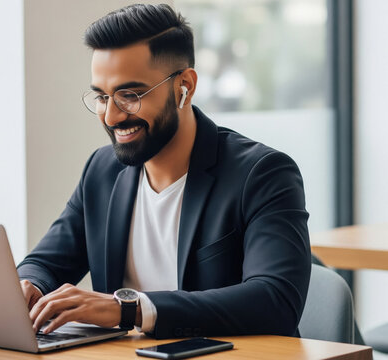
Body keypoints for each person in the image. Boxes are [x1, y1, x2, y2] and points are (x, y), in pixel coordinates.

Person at [16, 3, 310, 339]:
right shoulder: (102, 171)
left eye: (130, 94)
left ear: (184, 85)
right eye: (102, 97)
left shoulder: (262, 174)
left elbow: (276, 301)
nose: (111, 117)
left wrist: (129, 309)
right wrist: (30, 286)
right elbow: (44, 263)